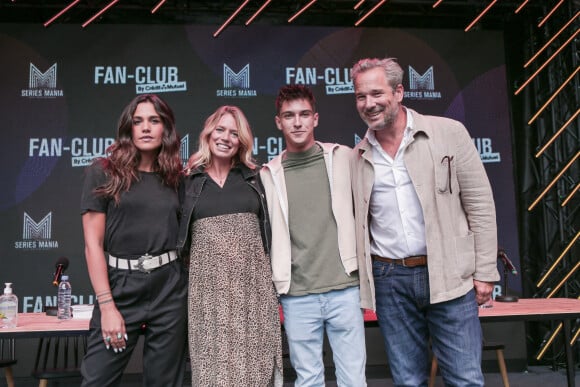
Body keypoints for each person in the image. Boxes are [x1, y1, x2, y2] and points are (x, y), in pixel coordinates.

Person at [350, 57, 500, 386]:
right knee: (408, 381)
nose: (369, 103)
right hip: (390, 280)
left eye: (377, 93)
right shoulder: (358, 155)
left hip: (449, 273)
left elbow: (480, 204)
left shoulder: (448, 133)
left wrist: (486, 271)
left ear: (399, 91)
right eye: (361, 96)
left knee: (465, 379)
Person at [261, 85, 367, 387]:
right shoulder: (268, 174)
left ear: (315, 119)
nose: (297, 122)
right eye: (289, 115)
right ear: (278, 122)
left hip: (345, 289)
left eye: (304, 114)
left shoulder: (343, 157)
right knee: (308, 381)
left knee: (354, 382)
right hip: (297, 296)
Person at [80, 94, 187, 386]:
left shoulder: (176, 177)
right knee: (97, 379)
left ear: (166, 128)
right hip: (120, 287)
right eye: (138, 121)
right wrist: (107, 306)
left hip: (169, 288)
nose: (146, 128)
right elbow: (93, 246)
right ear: (128, 128)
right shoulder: (103, 172)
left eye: (154, 120)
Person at [177, 105, 283, 386]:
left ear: (242, 142)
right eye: (220, 129)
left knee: (254, 371)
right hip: (207, 296)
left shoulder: (256, 179)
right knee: (213, 373)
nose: (225, 137)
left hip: (253, 294)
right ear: (209, 133)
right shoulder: (187, 182)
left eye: (234, 133)